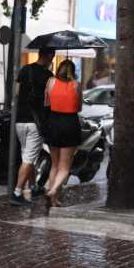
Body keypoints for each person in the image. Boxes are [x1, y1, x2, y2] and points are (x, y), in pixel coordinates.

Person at [11, 48, 54, 206]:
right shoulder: (49, 76)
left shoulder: (25, 69)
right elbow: (49, 101)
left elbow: (16, 93)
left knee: (26, 157)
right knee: (29, 159)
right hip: (36, 122)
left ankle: (34, 187)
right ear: (50, 56)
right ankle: (17, 193)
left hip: (20, 121)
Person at [44, 59, 82, 207]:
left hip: (53, 122)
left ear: (59, 68)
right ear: (73, 71)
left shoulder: (50, 82)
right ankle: (52, 190)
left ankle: (53, 200)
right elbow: (79, 107)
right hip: (70, 124)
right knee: (64, 167)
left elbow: (46, 103)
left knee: (54, 165)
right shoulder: (76, 85)